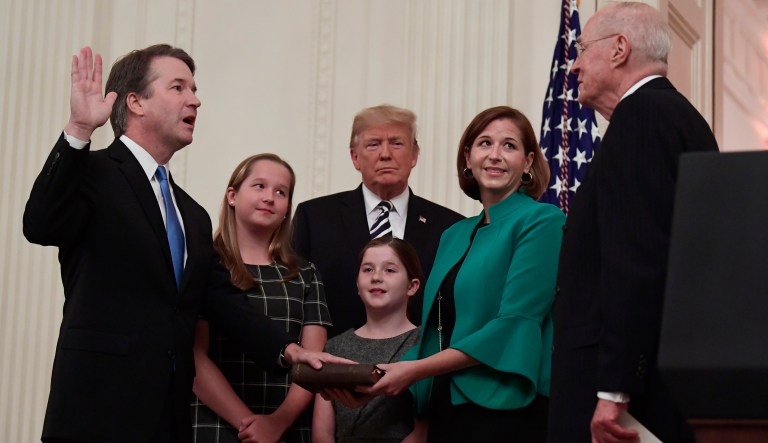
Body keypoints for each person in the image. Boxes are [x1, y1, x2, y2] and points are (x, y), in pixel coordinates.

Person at [22, 45, 346, 443]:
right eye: (178, 87)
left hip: (170, 419)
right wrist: (78, 130)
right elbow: (39, 224)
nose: (195, 99)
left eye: (194, 89)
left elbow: (223, 302)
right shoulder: (92, 173)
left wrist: (290, 352)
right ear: (136, 102)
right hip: (96, 411)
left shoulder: (191, 214)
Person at [547, 3, 720, 443]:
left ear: (620, 49)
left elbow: (637, 259)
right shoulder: (677, 116)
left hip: (622, 400)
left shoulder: (642, 116)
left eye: (584, 49)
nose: (575, 62)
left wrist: (613, 390)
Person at [357, 106, 564, 442]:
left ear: (527, 162)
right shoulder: (453, 234)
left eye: (509, 146)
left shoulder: (543, 221)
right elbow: (436, 331)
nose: (495, 155)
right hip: (443, 407)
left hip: (506, 408)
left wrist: (412, 372)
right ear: (468, 157)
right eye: (485, 143)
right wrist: (371, 380)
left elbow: (514, 324)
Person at [192, 154, 332, 442]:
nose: (270, 197)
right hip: (214, 423)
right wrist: (249, 425)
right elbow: (195, 357)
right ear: (232, 195)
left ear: (286, 210)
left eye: (281, 192)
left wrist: (277, 423)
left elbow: (312, 362)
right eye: (259, 186)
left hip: (287, 426)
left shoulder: (305, 273)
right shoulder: (204, 264)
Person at [292, 104, 464, 336]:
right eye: (373, 144)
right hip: (333, 362)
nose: (385, 154)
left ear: (414, 155)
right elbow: (296, 299)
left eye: (396, 143)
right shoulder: (314, 218)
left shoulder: (449, 226)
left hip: (422, 364)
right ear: (355, 157)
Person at [313, 237, 427, 443]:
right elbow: (322, 433)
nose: (376, 277)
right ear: (357, 284)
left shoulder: (425, 344)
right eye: (367, 269)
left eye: (389, 270)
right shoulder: (334, 347)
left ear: (412, 286)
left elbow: (423, 432)